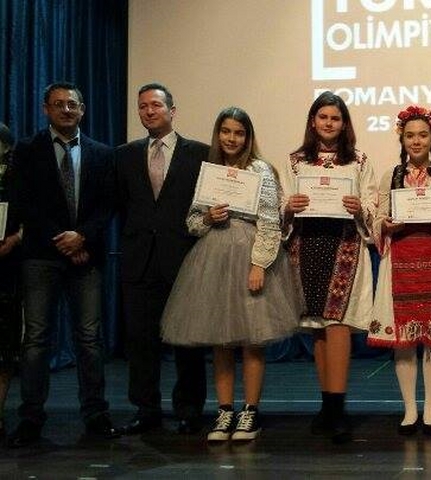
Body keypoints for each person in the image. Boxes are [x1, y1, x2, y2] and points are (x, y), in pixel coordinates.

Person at [161, 107, 299, 442]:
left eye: (239, 132)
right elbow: (192, 222)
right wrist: (209, 217)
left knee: (252, 340)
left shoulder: (260, 169)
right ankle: (224, 411)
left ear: (248, 137)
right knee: (220, 339)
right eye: (226, 131)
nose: (232, 138)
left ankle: (250, 411)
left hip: (249, 255)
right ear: (218, 134)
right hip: (214, 258)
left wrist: (259, 264)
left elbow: (270, 221)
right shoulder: (210, 169)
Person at [8, 82, 118, 447]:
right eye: (58, 104)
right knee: (36, 340)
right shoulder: (27, 150)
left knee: (89, 339)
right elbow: (24, 203)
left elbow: (108, 205)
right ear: (46, 109)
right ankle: (30, 418)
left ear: (82, 109)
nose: (66, 110)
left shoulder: (102, 153)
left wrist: (82, 236)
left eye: (72, 104)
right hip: (40, 257)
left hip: (87, 257)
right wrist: (64, 240)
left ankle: (96, 413)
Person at [282, 91, 377, 443]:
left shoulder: (359, 161)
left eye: (335, 118)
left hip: (344, 245)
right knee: (317, 328)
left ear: (344, 123)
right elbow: (282, 203)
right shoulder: (295, 161)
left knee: (337, 325)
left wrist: (360, 207)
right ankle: (326, 406)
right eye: (323, 117)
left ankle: (338, 409)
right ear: (313, 121)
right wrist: (289, 206)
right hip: (306, 245)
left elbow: (372, 202)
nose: (329, 123)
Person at [367, 105, 431, 436]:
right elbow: (378, 220)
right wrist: (387, 225)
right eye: (410, 135)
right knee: (404, 341)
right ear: (402, 139)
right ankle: (410, 409)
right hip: (401, 264)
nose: (416, 141)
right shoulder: (391, 176)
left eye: (423, 135)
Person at [115, 83, 209, 435]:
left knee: (187, 342)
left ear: (172, 110)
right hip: (139, 261)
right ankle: (146, 409)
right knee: (141, 342)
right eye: (142, 107)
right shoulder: (124, 155)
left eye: (155, 105)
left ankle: (189, 408)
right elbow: (120, 204)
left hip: (184, 259)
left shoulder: (200, 153)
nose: (149, 111)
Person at [0, 123, 23, 440]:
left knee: (4, 348)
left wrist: (16, 238)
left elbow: (32, 213)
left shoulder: (18, 175)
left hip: (7, 268)